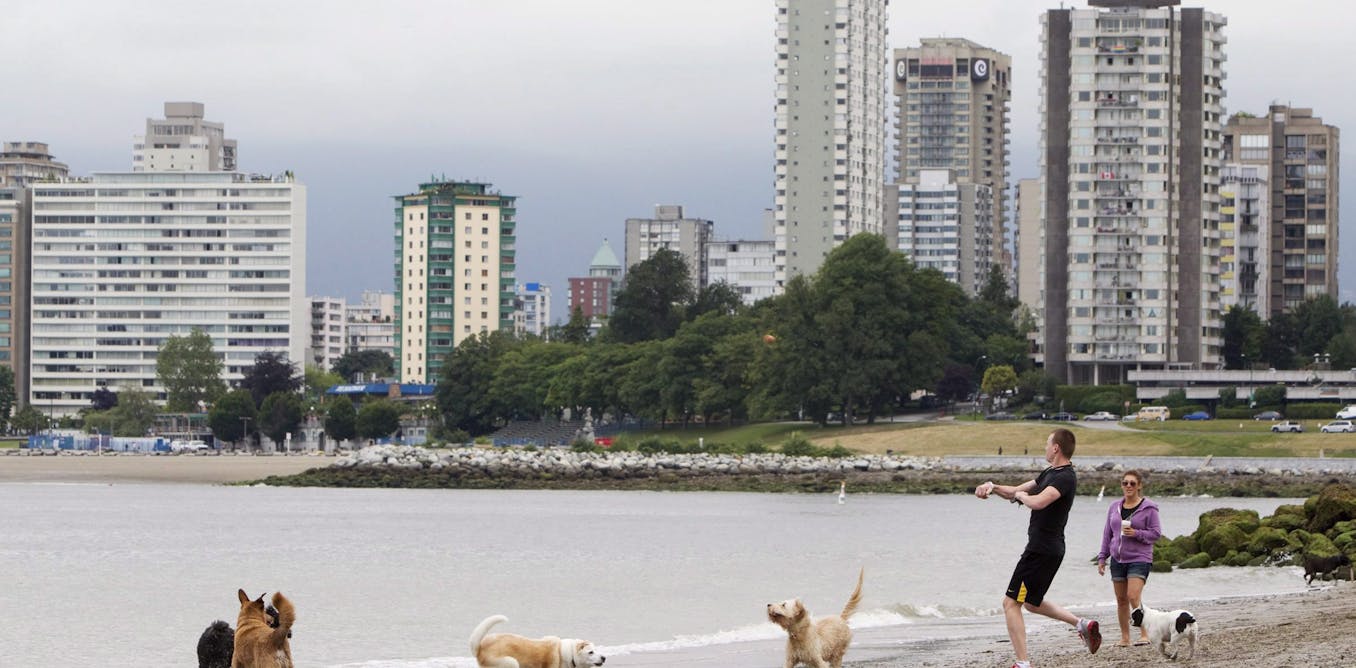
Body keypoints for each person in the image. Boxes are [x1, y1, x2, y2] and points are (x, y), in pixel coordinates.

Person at [975, 428, 1100, 668]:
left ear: (1056, 448)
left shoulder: (1065, 477)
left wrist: (1022, 496)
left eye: (1047, 443)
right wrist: (993, 486)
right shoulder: (1050, 473)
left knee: (1010, 603)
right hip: (1047, 549)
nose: (1044, 447)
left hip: (1041, 550)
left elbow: (1039, 501)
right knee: (1032, 602)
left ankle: (1022, 663)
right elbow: (1015, 491)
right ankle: (1082, 624)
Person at [1096, 469, 1161, 647]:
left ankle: (1145, 634)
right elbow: (1107, 534)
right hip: (1117, 559)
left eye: (1132, 483)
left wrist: (1136, 533)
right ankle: (1125, 638)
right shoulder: (1114, 507)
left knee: (1133, 596)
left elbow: (1156, 534)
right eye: (1125, 483)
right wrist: (1102, 558)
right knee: (1121, 600)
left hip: (1140, 558)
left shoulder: (1149, 508)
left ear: (1139, 486)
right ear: (1122, 485)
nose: (1128, 486)